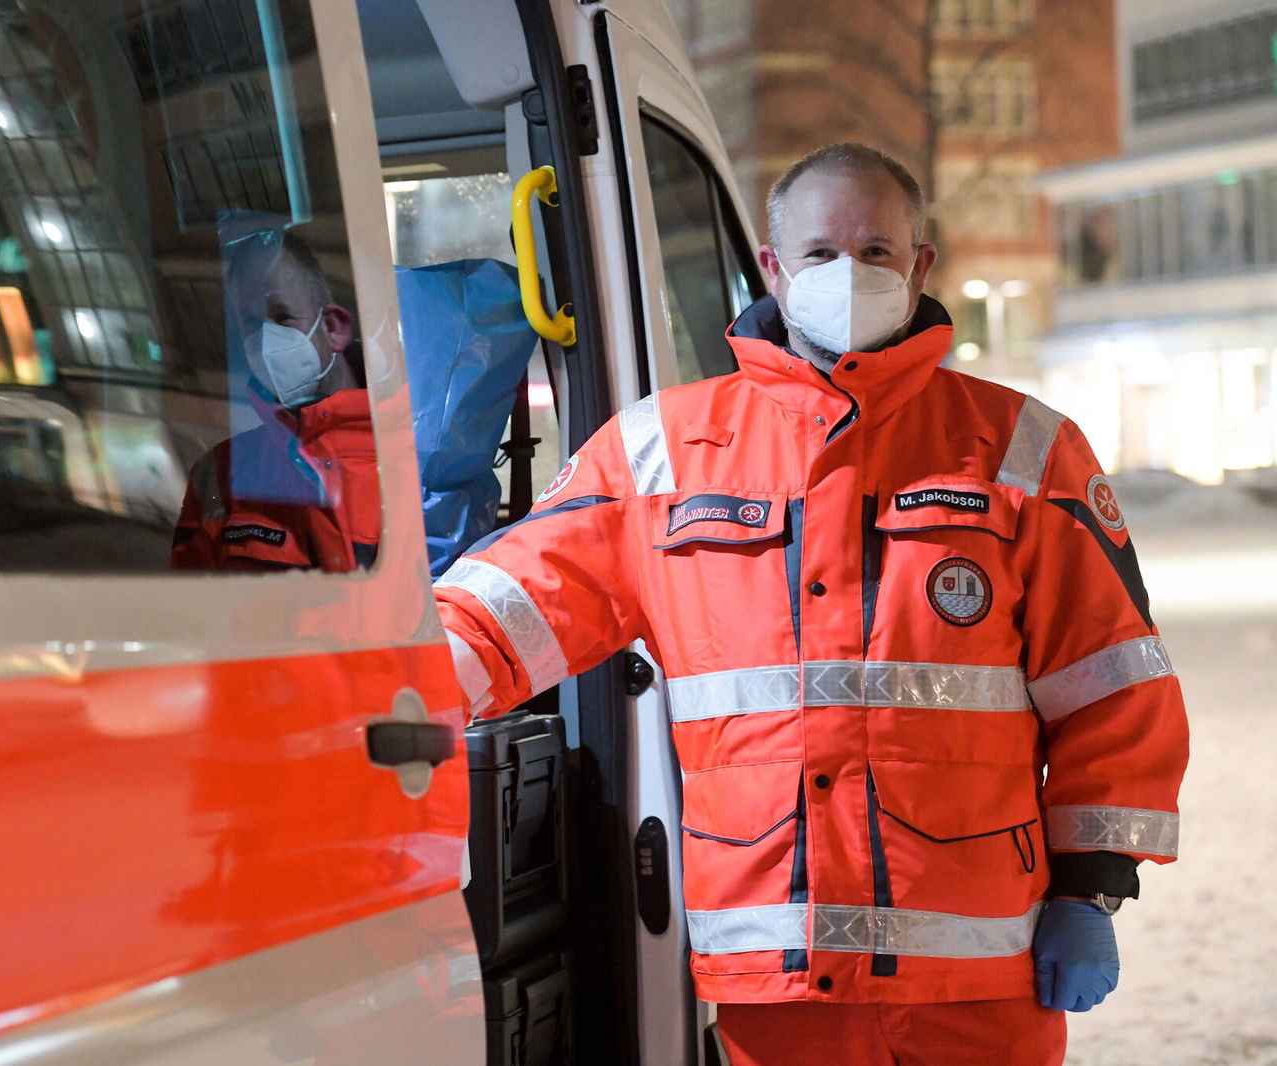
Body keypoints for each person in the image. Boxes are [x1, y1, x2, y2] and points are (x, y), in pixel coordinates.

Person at [434, 143, 1188, 1065]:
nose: (850, 272)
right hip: (774, 974)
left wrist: (1091, 887)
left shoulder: (1019, 449)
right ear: (773, 265)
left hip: (977, 975)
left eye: (877, 251)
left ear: (920, 267)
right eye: (822, 251)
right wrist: (372, 691)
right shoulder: (665, 453)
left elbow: (1115, 688)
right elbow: (509, 607)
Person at [170, 232, 379, 573]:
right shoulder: (219, 475)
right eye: (252, 324)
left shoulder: (413, 452)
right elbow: (189, 612)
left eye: (282, 317)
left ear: (333, 327)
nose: (266, 342)